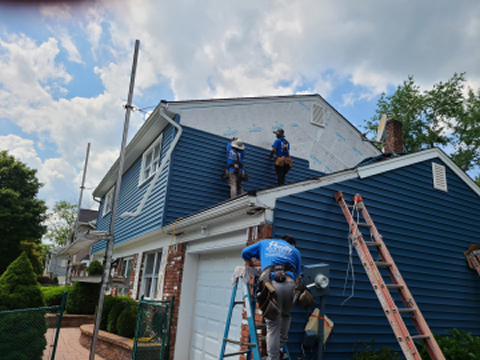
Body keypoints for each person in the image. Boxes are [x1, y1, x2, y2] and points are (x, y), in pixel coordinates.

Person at [241, 235, 302, 360]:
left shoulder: (265, 243)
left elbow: (244, 252)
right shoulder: (294, 251)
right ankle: (280, 346)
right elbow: (298, 273)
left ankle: (273, 358)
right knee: (285, 316)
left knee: (273, 326)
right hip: (291, 286)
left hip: (273, 286)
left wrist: (250, 263)